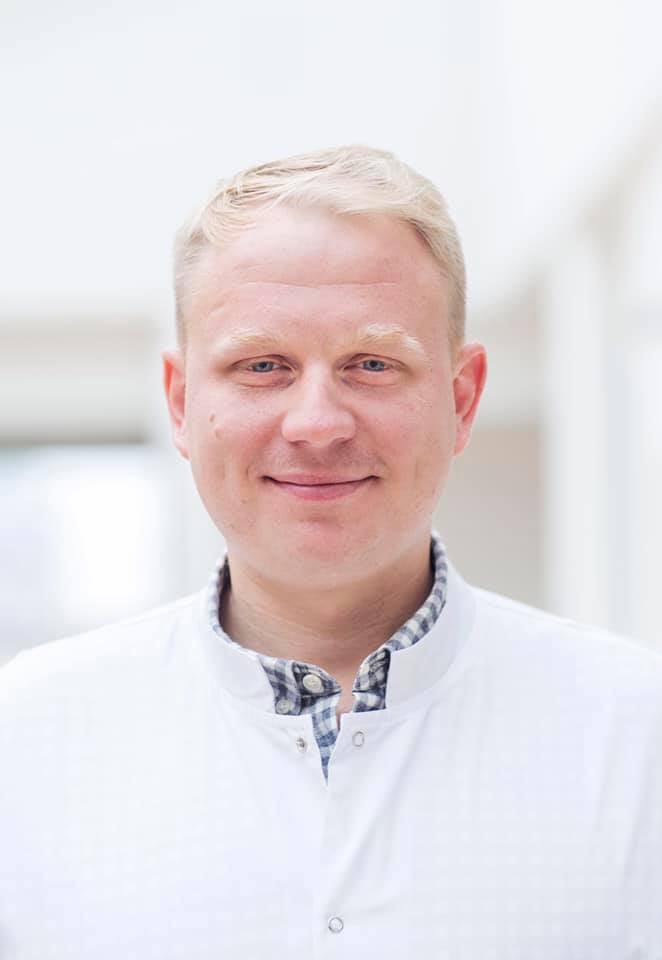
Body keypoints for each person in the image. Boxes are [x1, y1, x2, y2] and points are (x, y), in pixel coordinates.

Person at [0, 145, 660, 959]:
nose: (317, 423)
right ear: (180, 402)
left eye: (372, 364)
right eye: (262, 366)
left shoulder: (639, 736)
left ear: (461, 400)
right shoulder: (24, 738)